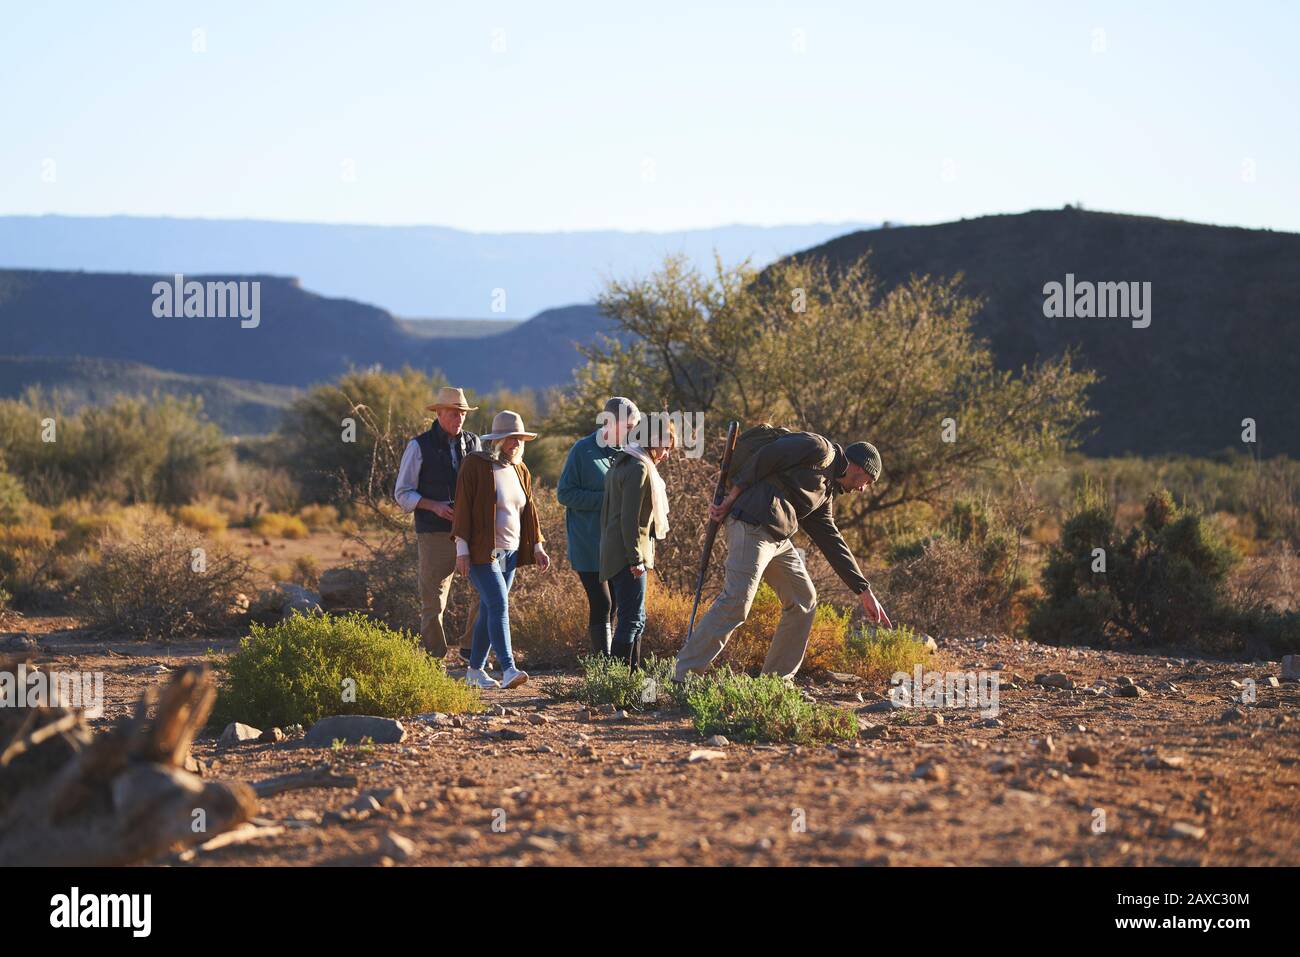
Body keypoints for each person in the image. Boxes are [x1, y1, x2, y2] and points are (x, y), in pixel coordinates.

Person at [673, 430, 890, 682]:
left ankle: (775, 683)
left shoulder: (826, 491)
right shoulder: (818, 448)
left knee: (803, 600)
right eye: (868, 482)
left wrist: (864, 591)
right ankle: (683, 676)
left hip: (778, 539)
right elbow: (765, 457)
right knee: (736, 601)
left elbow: (831, 540)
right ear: (861, 469)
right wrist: (730, 500)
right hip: (751, 524)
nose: (864, 489)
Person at [452, 410, 551, 689]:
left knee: (488, 607)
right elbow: (463, 507)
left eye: (519, 439)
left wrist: (538, 547)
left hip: (510, 551)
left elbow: (529, 512)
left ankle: (474, 672)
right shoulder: (475, 465)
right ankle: (508, 668)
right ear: (497, 440)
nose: (516, 444)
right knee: (498, 603)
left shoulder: (520, 469)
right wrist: (461, 549)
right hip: (483, 551)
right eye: (510, 439)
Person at [393, 386, 481, 660]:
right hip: (434, 534)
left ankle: (470, 650)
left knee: (486, 591)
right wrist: (434, 506)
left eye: (463, 413)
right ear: (439, 413)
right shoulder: (418, 446)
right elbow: (402, 493)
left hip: (472, 532)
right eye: (454, 413)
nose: (459, 418)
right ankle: (435, 659)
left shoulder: (474, 443)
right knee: (433, 602)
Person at [557, 396, 641, 655]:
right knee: (602, 602)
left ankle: (612, 668)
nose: (633, 431)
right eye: (628, 426)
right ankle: (603, 667)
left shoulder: (630, 452)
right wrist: (606, 500)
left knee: (617, 604)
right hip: (588, 544)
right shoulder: (583, 450)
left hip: (616, 547)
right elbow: (565, 494)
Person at [599, 416, 675, 670]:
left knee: (635, 619)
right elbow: (628, 519)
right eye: (665, 446)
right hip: (629, 554)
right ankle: (618, 683)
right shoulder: (639, 468)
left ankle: (634, 681)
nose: (666, 454)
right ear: (652, 441)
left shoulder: (622, 462)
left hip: (617, 551)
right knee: (632, 620)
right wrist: (636, 559)